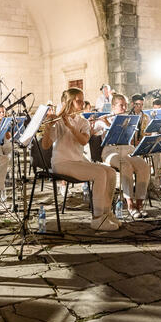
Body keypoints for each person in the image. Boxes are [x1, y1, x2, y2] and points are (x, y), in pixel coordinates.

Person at [41, 87, 120, 231]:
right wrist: (47, 127)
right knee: (99, 174)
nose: (82, 104)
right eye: (79, 101)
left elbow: (83, 141)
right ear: (69, 102)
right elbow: (45, 145)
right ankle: (97, 219)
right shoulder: (58, 121)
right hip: (61, 162)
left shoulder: (82, 121)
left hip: (77, 161)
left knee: (111, 172)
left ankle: (106, 213)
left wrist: (71, 127)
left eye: (83, 101)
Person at [95, 93, 151, 217]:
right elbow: (92, 132)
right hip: (110, 152)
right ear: (113, 107)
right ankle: (130, 204)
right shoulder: (104, 119)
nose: (125, 108)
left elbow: (130, 137)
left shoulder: (128, 119)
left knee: (144, 166)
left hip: (127, 150)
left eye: (125, 105)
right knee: (126, 166)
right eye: (121, 105)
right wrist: (98, 121)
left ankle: (139, 204)